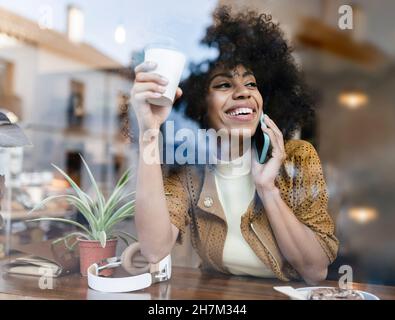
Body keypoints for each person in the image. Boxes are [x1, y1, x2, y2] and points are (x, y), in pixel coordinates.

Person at [131, 6, 338, 284]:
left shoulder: (298, 157)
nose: (243, 92)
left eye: (251, 83)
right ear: (198, 106)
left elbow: (315, 271)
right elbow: (155, 249)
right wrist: (150, 130)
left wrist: (268, 189)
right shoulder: (189, 169)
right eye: (224, 85)